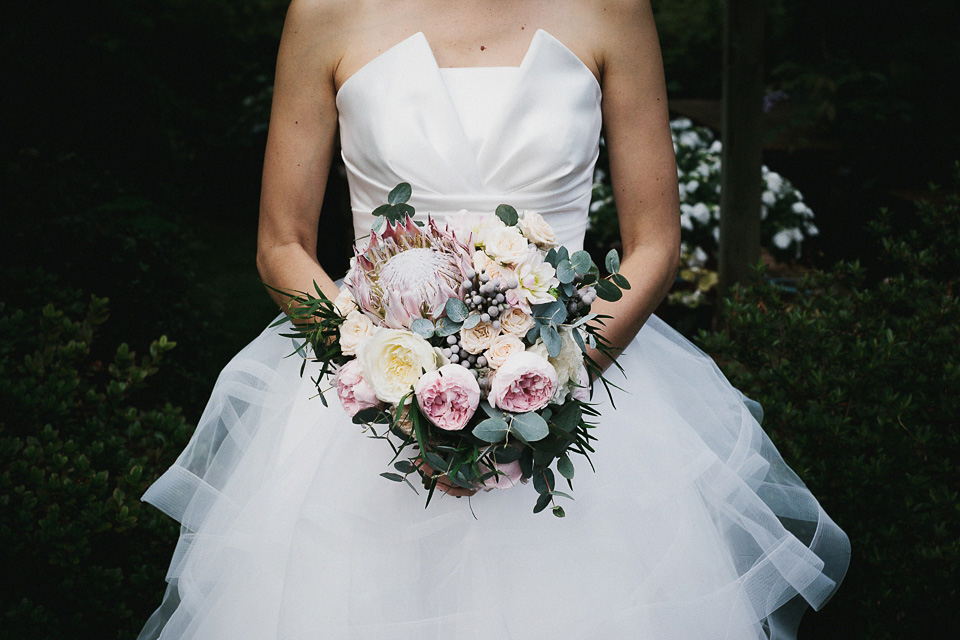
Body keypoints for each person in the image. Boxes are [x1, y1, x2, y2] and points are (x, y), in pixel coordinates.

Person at [139, 1, 850, 638]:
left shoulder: (612, 11)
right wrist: (390, 383)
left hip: (577, 400)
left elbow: (655, 245)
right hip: (365, 418)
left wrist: (550, 379)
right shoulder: (327, 11)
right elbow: (281, 244)